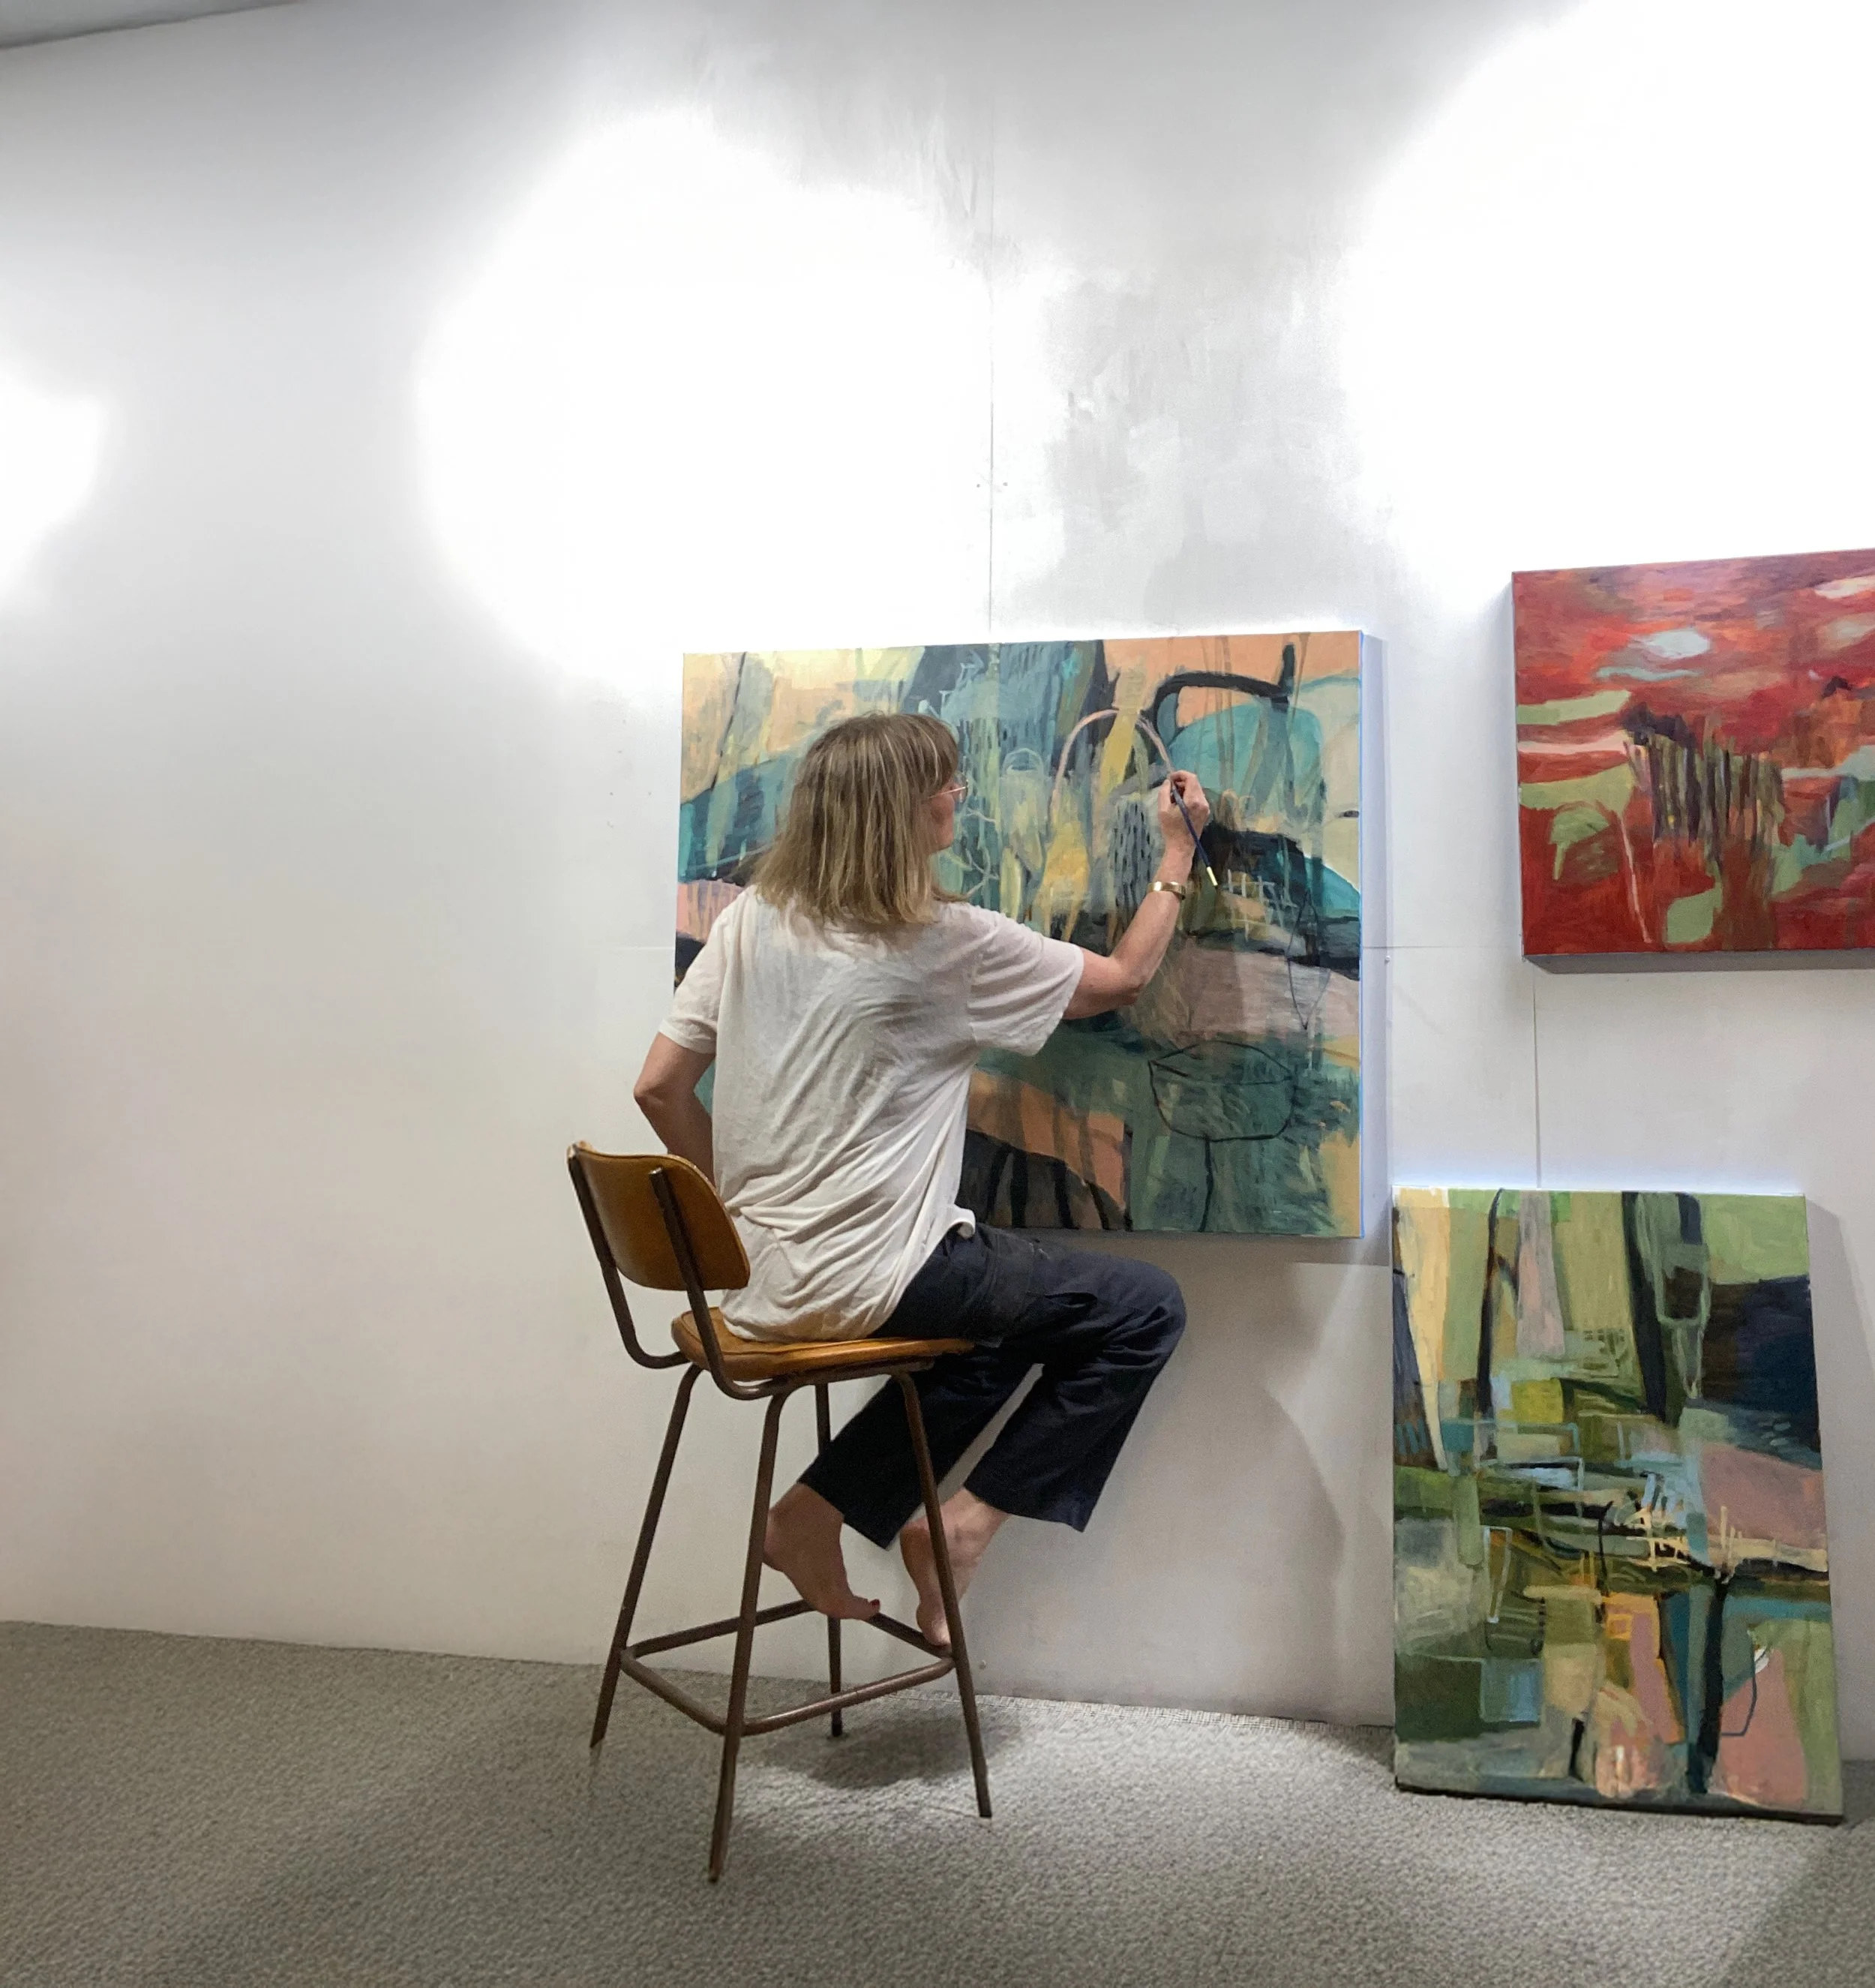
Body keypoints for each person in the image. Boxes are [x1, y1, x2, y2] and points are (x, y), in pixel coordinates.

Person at [634, 711, 1209, 1647]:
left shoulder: (749, 919)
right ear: (901, 809)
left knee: (997, 1323)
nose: (959, 794)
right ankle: (963, 1526)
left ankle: (811, 1513)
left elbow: (658, 1087)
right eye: (946, 782)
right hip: (872, 1278)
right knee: (1144, 1307)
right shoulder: (944, 942)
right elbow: (1121, 979)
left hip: (754, 1283)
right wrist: (1177, 853)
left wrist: (736, 1219)